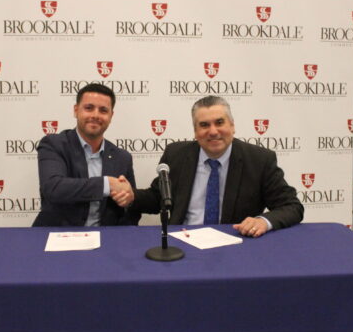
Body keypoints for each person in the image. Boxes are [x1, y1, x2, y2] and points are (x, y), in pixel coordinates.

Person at [113, 95, 303, 237]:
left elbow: (292, 206)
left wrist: (263, 221)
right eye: (204, 125)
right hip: (183, 239)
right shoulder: (176, 154)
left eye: (219, 122)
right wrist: (132, 196)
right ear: (195, 131)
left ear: (232, 126)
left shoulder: (259, 160)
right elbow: (159, 198)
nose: (213, 131)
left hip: (235, 241)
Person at [33, 83, 139, 227]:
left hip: (106, 239)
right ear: (76, 110)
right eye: (89, 108)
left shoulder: (122, 157)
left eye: (103, 110)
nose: (95, 115)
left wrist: (129, 200)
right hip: (57, 237)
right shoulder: (53, 144)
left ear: (111, 116)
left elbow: (131, 211)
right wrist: (107, 184)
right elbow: (54, 188)